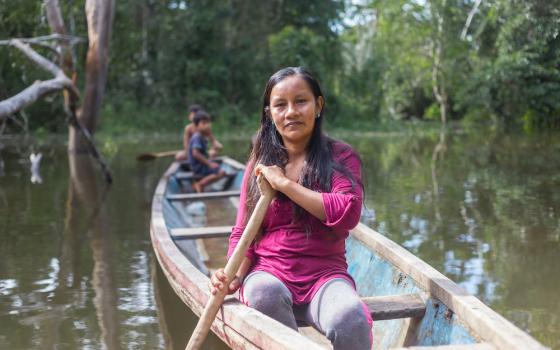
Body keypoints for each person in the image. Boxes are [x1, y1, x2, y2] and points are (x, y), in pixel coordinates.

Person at [209, 67, 373, 349]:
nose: (291, 112)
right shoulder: (259, 166)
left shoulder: (341, 156)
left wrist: (284, 185)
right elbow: (244, 232)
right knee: (263, 295)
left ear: (318, 105)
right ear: (269, 113)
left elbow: (347, 213)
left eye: (301, 101)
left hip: (325, 275)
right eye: (280, 105)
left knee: (352, 321)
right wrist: (233, 275)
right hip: (269, 271)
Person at [189, 110, 227, 193]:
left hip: (201, 164)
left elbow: (218, 147)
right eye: (203, 123)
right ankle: (200, 184)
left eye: (208, 123)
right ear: (196, 125)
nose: (207, 125)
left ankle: (200, 184)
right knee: (222, 172)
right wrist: (209, 164)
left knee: (215, 162)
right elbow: (195, 153)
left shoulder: (203, 136)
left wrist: (210, 136)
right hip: (198, 167)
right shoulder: (197, 137)